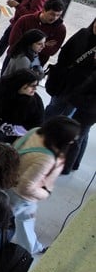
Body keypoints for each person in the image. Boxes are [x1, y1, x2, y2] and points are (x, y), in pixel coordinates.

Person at [8, 116, 81, 254]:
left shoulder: (35, 131)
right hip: (20, 197)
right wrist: (45, 193)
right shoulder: (46, 158)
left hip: (8, 180)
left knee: (25, 221)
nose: (74, 140)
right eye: (72, 138)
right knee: (4, 220)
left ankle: (32, 247)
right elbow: (26, 186)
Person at [44, 18, 96, 174]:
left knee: (74, 124)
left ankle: (64, 157)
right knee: (54, 109)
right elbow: (66, 52)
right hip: (65, 82)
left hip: (82, 92)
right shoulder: (83, 34)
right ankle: (42, 135)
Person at [7, 0, 66, 67]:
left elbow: (52, 51)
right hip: (15, 58)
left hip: (36, 65)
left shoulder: (60, 29)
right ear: (43, 10)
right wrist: (43, 45)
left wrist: (27, 42)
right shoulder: (25, 20)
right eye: (52, 14)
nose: (55, 18)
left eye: (58, 15)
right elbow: (13, 41)